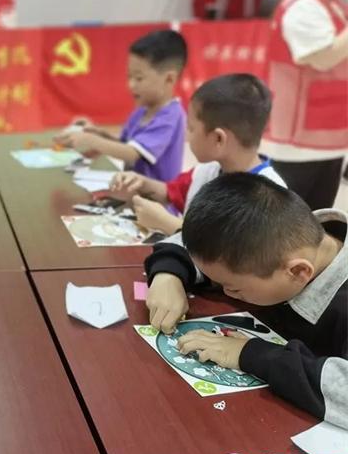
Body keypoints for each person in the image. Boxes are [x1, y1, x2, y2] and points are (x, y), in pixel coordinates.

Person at [144, 174, 346, 428]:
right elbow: (204, 251)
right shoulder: (279, 240)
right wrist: (168, 275)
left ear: (298, 272)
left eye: (235, 289)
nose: (226, 292)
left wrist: (249, 354)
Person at [109, 74, 285, 235]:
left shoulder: (270, 200)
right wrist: (142, 183)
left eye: (191, 128)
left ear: (218, 139)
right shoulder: (209, 170)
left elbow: (223, 252)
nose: (187, 136)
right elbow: (172, 192)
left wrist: (165, 222)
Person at [262, 0, 348, 209]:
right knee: (288, 223)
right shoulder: (303, 6)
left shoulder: (331, 4)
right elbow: (324, 58)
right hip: (297, 145)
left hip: (326, 136)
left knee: (317, 221)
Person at [54, 29, 187, 181]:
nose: (131, 85)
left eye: (139, 78)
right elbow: (125, 145)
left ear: (169, 79)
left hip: (155, 196)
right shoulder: (141, 111)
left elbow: (131, 154)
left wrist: (90, 140)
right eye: (129, 77)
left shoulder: (170, 117)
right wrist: (97, 133)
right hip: (133, 191)